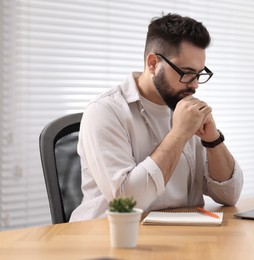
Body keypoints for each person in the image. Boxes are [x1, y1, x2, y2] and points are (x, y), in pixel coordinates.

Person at [70, 13, 243, 222]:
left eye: (199, 74)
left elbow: (230, 195)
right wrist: (179, 134)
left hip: (182, 236)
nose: (195, 85)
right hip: (112, 239)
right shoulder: (105, 111)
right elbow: (127, 202)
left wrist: (213, 139)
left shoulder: (185, 108)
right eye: (186, 72)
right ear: (153, 63)